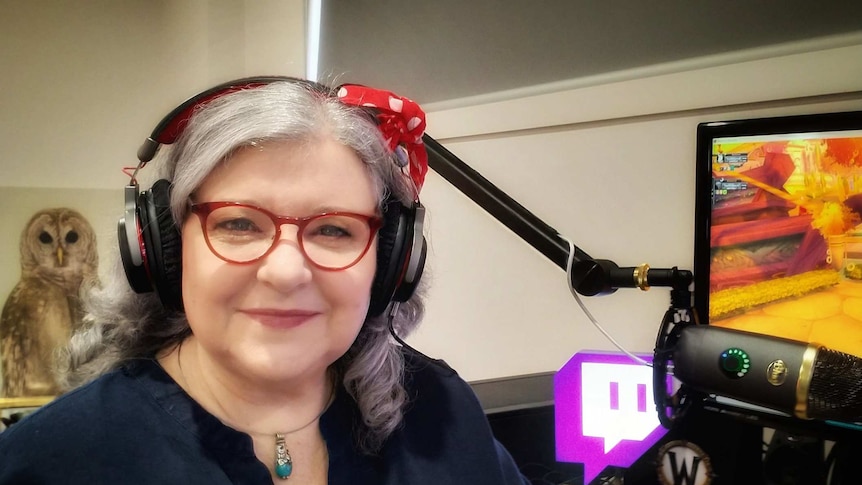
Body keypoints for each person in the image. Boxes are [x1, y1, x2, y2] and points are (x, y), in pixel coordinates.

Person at [0, 77, 529, 485]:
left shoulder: (440, 410)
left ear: (392, 261)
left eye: (333, 230)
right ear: (163, 247)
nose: (285, 271)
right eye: (238, 223)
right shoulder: (51, 461)